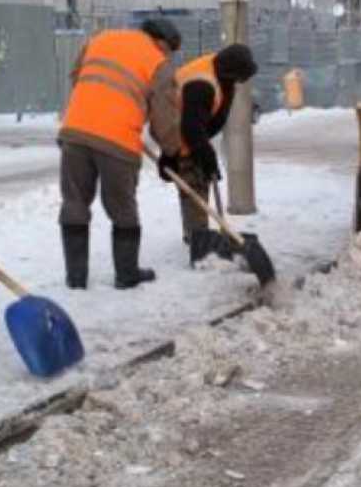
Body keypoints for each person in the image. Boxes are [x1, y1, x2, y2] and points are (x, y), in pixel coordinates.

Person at [58, 19, 183, 290]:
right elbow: (166, 116)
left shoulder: (100, 38)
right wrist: (171, 152)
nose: (169, 56)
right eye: (170, 50)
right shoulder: (156, 61)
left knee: (75, 202)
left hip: (75, 131)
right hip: (118, 140)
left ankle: (76, 278)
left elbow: (77, 77)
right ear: (161, 42)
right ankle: (126, 274)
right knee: (122, 207)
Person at [158, 44, 259, 249]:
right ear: (230, 72)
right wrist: (200, 155)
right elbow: (190, 128)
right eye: (239, 78)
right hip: (174, 128)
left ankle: (199, 234)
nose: (239, 83)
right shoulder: (201, 85)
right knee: (194, 182)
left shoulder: (222, 72)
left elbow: (208, 120)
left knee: (202, 174)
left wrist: (206, 156)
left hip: (190, 125)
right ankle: (198, 239)